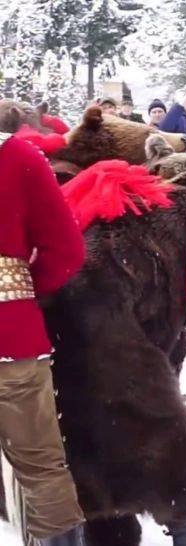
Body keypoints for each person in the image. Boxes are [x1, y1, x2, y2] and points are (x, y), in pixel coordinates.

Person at [0, 130, 88, 546]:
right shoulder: (17, 154)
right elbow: (66, 249)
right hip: (10, 334)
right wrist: (22, 293)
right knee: (39, 464)